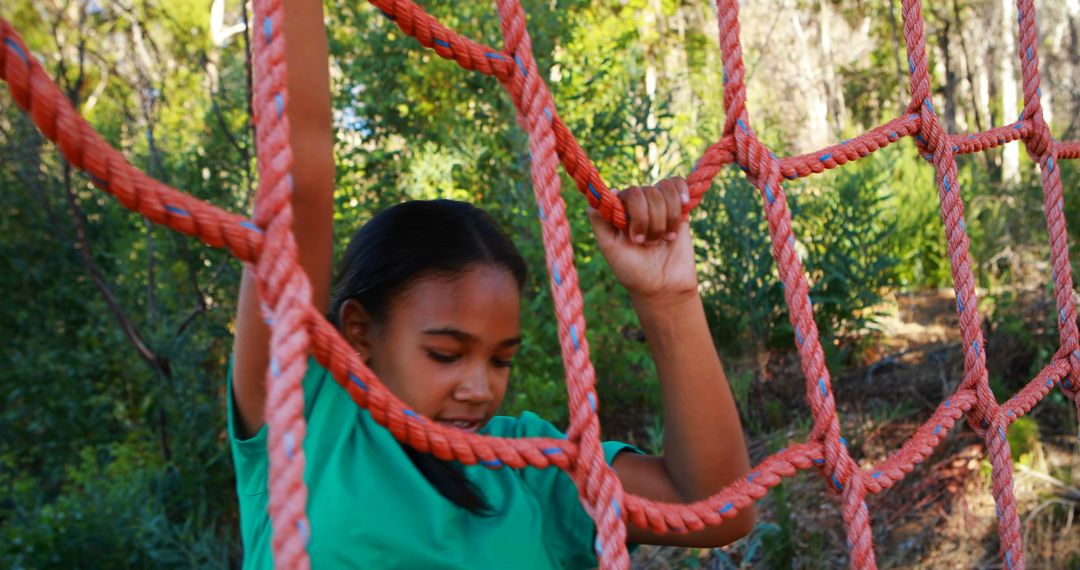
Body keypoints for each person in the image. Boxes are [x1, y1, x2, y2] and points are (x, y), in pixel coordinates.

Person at [229, 2, 752, 568]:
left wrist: (667, 299)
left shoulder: (525, 468)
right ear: (358, 331)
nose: (479, 387)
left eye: (501, 360)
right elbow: (297, 178)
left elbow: (717, 508)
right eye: (445, 353)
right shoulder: (307, 422)